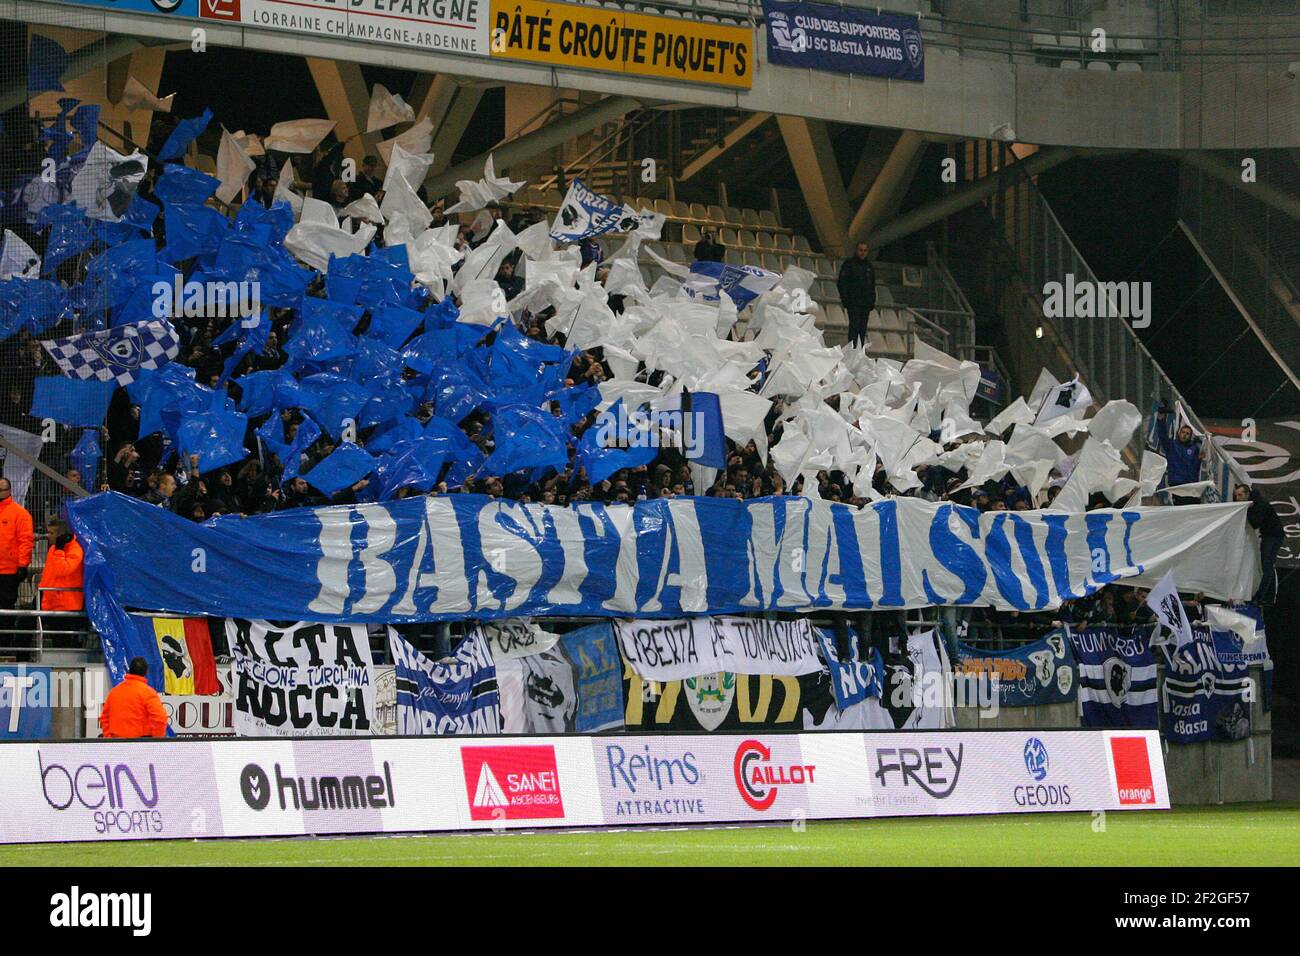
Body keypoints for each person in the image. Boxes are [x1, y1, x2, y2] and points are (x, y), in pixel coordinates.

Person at [1235, 483, 1283, 605]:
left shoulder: (1260, 504)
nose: (1238, 499)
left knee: (1267, 566)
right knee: (1266, 566)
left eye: (1240, 495)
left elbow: (1255, 523)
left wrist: (1245, 509)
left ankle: (1262, 597)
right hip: (1268, 534)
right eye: (1237, 496)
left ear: (1247, 494)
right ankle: (1266, 595)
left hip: (1274, 536)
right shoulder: (1253, 501)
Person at [99, 657, 169, 739]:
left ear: (129, 670)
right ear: (146, 672)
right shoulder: (147, 692)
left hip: (117, 743)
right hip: (141, 743)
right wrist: (157, 740)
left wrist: (109, 738)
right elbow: (160, 718)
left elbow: (104, 718)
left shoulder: (114, 692)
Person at [1155, 404, 1204, 504]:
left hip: (1192, 486)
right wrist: (1161, 418)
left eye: (1187, 434)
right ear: (1178, 433)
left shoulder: (1194, 448)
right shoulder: (1171, 445)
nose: (1185, 435)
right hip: (1178, 486)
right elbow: (1162, 435)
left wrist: (1199, 459)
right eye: (1183, 432)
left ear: (1190, 436)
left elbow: (1196, 467)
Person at [0, 478, 34, 610]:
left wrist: (22, 565)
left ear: (9, 491)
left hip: (9, 570)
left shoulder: (20, 514)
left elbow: (26, 541)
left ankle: (6, 630)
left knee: (6, 604)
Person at [836, 241, 877, 348]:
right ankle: (852, 350)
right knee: (854, 327)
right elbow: (842, 283)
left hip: (865, 303)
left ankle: (859, 351)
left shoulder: (869, 266)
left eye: (865, 250)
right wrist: (845, 299)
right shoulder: (849, 264)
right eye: (861, 250)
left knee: (862, 328)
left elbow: (872, 284)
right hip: (853, 302)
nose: (862, 253)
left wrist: (872, 300)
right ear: (856, 251)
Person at [38, 519, 83, 611]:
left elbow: (62, 570)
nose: (48, 536)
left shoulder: (75, 550)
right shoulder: (53, 549)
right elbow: (49, 573)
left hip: (66, 604)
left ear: (61, 535)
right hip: (50, 601)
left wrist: (59, 550)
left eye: (51, 533)